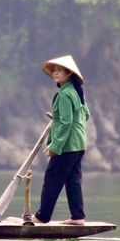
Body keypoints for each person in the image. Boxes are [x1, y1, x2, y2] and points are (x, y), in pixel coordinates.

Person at [33, 55, 90, 226]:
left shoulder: (65, 95)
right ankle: (78, 217)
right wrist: (58, 118)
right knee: (72, 179)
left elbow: (66, 123)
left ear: (69, 74)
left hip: (67, 145)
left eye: (59, 71)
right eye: (54, 70)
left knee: (52, 178)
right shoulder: (77, 92)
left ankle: (42, 217)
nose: (55, 73)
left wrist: (55, 146)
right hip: (79, 143)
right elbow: (85, 115)